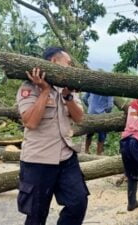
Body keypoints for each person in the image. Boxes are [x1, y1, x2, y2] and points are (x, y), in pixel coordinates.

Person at [16, 47, 88, 225]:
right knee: (36, 215)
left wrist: (68, 97)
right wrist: (45, 91)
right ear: (55, 62)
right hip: (38, 161)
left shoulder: (68, 88)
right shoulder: (28, 87)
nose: (71, 67)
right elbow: (31, 122)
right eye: (68, 63)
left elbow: (79, 118)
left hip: (66, 157)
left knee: (78, 203)